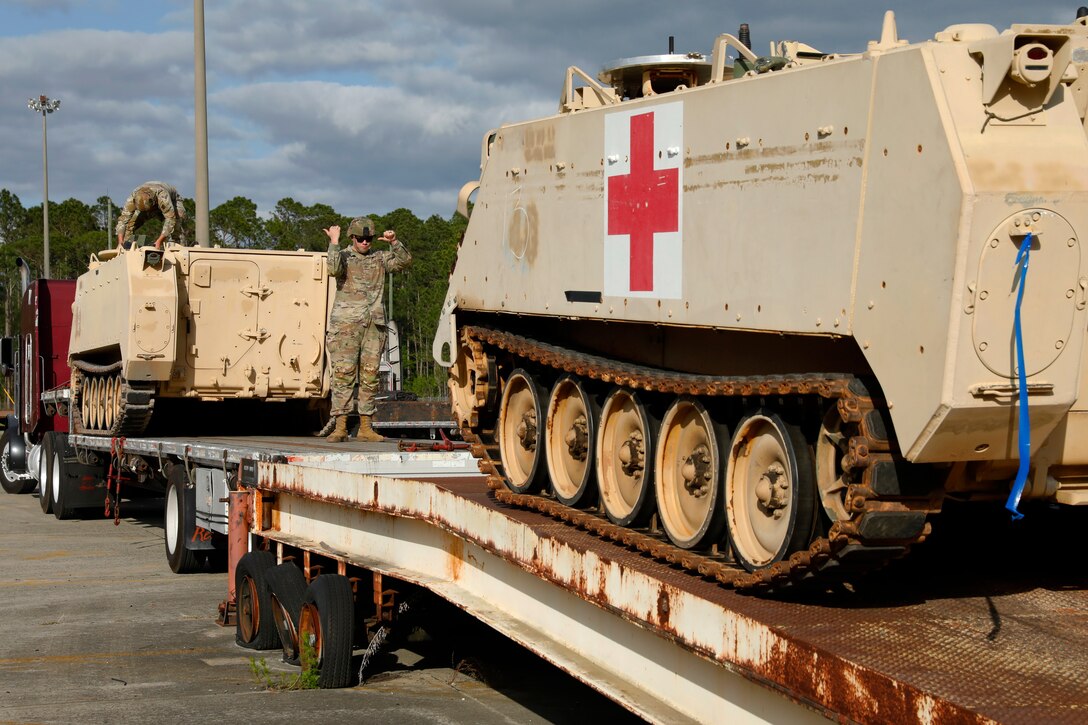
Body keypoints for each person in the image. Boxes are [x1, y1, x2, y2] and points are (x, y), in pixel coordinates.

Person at [325, 216, 412, 442]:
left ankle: (366, 427)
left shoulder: (379, 258)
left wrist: (394, 242)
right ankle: (341, 426)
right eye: (361, 238)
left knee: (370, 376)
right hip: (346, 325)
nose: (365, 242)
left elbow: (404, 261)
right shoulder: (343, 256)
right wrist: (333, 242)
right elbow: (333, 269)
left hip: (373, 324)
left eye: (369, 239)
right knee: (343, 375)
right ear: (352, 238)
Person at [115, 181, 187, 250]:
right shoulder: (133, 198)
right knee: (130, 224)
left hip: (172, 201)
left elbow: (170, 219)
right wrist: (120, 241)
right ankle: (126, 248)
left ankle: (178, 247)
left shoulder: (162, 196)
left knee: (177, 222)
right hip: (148, 205)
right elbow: (123, 220)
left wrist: (159, 241)